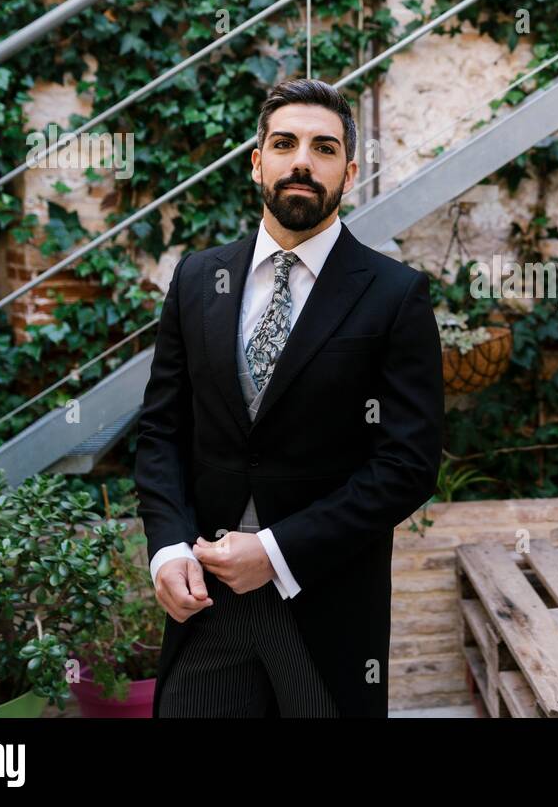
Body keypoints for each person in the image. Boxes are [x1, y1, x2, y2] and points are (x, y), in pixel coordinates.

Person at [134, 78, 444, 717]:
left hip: (325, 612)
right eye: (285, 143)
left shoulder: (394, 295)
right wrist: (166, 548)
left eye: (323, 148)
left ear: (348, 171)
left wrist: (275, 553)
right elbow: (161, 431)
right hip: (206, 608)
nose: (302, 160)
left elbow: (407, 465)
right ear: (258, 162)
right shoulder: (198, 278)